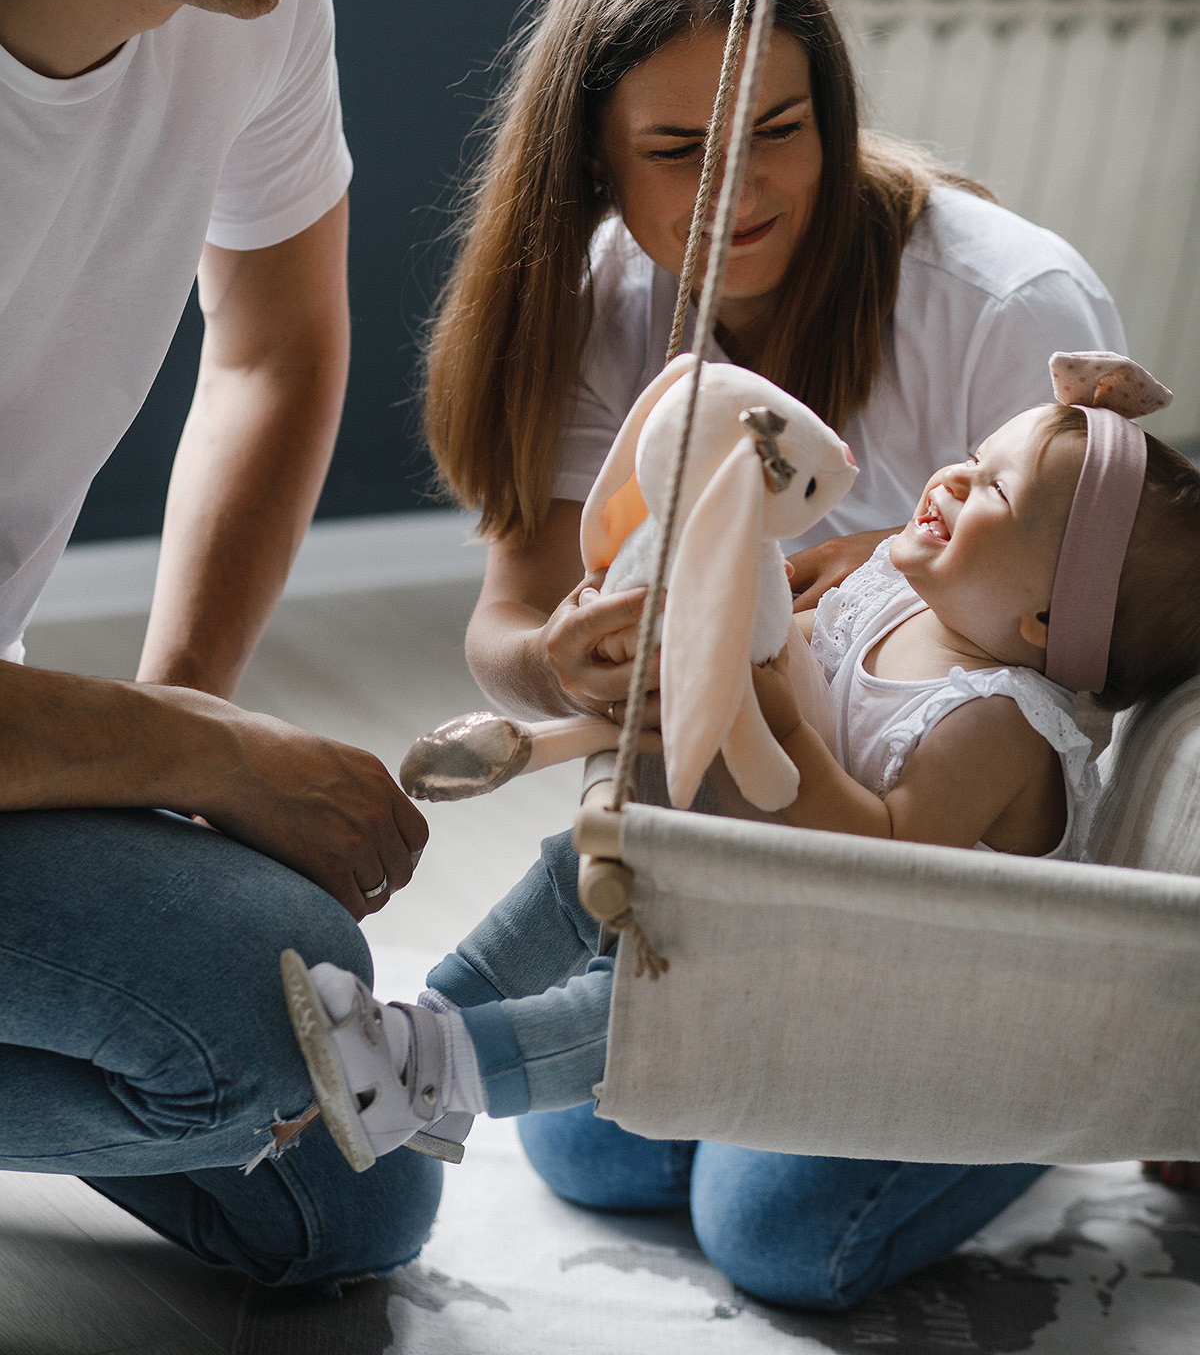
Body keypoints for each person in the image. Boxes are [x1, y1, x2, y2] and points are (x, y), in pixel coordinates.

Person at [415, 0, 1130, 1305]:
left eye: (780, 132)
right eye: (677, 149)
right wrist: (566, 662)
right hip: (735, 870)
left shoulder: (1005, 306)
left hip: (950, 918)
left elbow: (1100, 672)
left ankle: (1044, 1111)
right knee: (594, 1155)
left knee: (776, 1231)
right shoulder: (605, 298)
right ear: (595, 164)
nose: (739, 193)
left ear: (836, 111)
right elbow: (509, 632)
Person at [284, 364, 1200, 1301]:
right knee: (580, 1107)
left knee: (767, 1242)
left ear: (1043, 619)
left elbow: (874, 861)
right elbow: (782, 639)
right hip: (795, 940)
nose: (954, 478)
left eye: (993, 489)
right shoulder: (894, 584)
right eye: (972, 457)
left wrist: (778, 718)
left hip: (903, 1023)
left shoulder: (999, 724)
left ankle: (1015, 1151)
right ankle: (429, 1021)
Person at [0, 0, 437, 1292]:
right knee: (272, 1036)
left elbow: (272, 342)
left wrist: (186, 713)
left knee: (351, 1192)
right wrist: (220, 765)